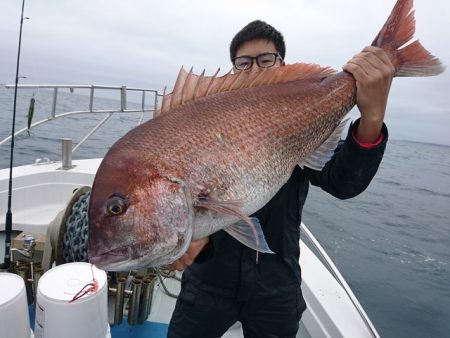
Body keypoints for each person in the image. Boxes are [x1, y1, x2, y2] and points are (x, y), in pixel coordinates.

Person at [167, 20, 393, 338]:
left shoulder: (297, 117)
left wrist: (372, 116)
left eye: (266, 60)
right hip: (208, 281)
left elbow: (343, 182)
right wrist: (184, 239)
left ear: (283, 66)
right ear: (233, 70)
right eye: (244, 63)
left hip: (276, 284)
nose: (255, 69)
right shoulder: (204, 124)